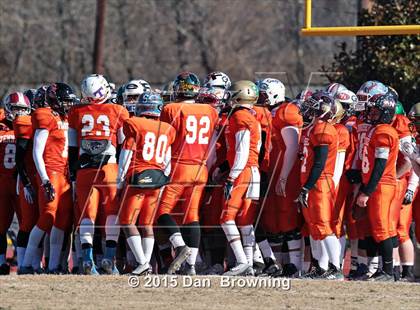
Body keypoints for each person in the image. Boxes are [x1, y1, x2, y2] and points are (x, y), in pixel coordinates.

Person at [156, 72, 219, 275]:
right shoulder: (210, 111)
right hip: (201, 167)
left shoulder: (171, 108)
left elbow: (166, 141)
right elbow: (212, 145)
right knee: (191, 215)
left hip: (179, 166)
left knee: (161, 211)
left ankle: (180, 245)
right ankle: (191, 266)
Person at [68, 74, 129, 274]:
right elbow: (122, 145)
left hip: (85, 168)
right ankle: (109, 260)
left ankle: (87, 260)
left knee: (88, 215)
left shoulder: (76, 111)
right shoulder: (119, 111)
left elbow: (72, 147)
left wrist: (73, 172)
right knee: (112, 213)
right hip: (109, 167)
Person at [117, 92, 175, 275]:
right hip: (157, 179)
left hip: (138, 178)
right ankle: (146, 263)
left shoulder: (134, 125)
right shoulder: (166, 128)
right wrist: (163, 179)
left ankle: (143, 263)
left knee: (127, 222)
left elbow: (125, 156)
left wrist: (120, 181)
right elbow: (168, 161)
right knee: (147, 224)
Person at [219, 80, 261, 276]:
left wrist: (232, 176)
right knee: (245, 220)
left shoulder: (241, 117)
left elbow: (242, 150)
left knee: (226, 218)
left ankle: (243, 261)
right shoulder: (251, 116)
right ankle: (250, 264)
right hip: (253, 170)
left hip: (243, 171)